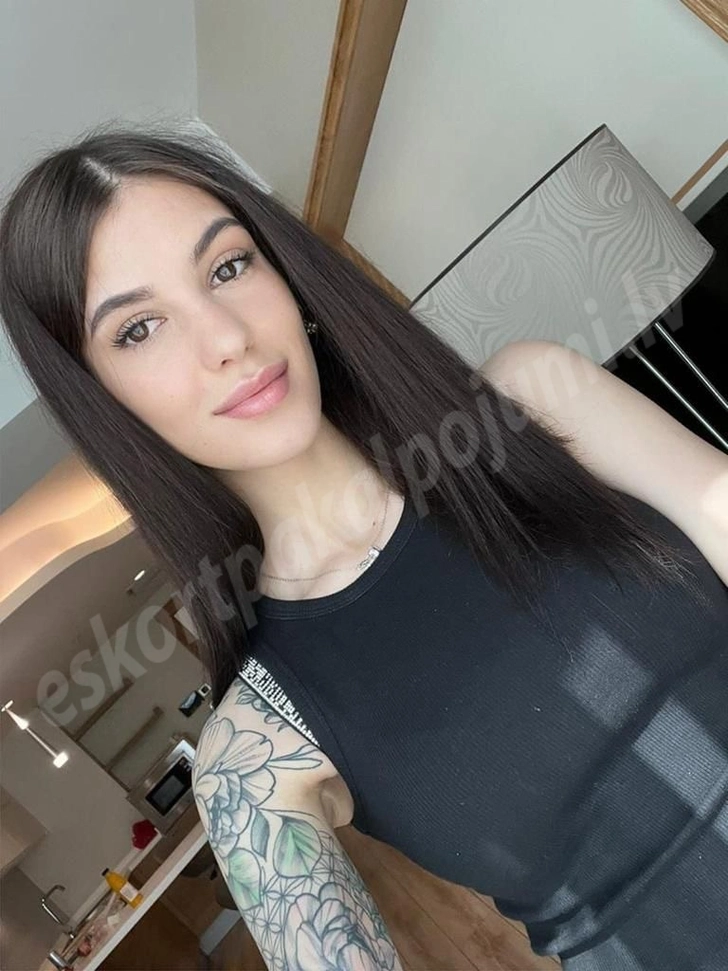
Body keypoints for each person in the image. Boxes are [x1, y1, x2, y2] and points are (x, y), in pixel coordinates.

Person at [1, 122, 726, 971]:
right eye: (139, 328)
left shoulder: (535, 402)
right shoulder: (254, 750)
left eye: (228, 267)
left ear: (288, 277)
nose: (226, 338)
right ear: (104, 402)